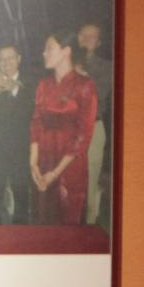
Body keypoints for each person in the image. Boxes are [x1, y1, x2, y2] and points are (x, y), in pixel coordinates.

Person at [29, 30, 98, 226]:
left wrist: (55, 173)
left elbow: (83, 136)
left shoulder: (84, 85)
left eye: (49, 48)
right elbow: (36, 122)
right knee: (44, 219)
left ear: (66, 51)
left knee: (68, 220)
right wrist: (33, 163)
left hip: (69, 163)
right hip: (44, 160)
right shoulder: (43, 85)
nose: (44, 53)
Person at [0, 43, 32, 224]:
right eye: (1, 59)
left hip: (21, 151)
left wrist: (15, 89)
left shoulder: (31, 82)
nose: (6, 63)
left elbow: (31, 112)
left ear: (19, 59)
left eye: (10, 58)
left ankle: (21, 233)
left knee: (21, 198)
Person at [74, 23, 112, 226]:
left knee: (89, 176)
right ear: (77, 38)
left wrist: (81, 77)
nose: (87, 39)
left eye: (93, 36)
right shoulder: (66, 63)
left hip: (93, 128)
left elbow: (98, 95)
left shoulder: (106, 67)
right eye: (84, 35)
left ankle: (89, 221)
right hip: (69, 129)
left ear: (98, 43)